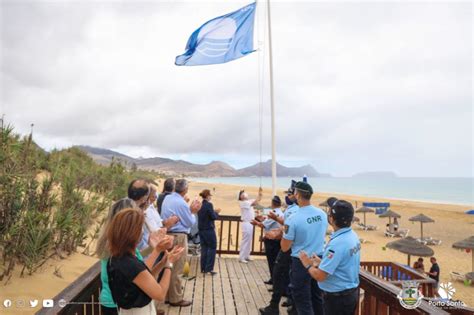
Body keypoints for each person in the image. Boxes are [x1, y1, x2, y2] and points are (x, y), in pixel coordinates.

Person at [107, 208, 185, 314]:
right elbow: (160, 294)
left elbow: (143, 277)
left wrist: (162, 263)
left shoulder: (116, 258)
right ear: (133, 233)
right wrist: (169, 264)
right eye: (141, 228)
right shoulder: (131, 264)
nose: (143, 231)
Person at [300, 198, 361, 315]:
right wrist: (321, 261)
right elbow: (342, 261)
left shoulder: (338, 243)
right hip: (350, 294)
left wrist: (307, 264)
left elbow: (320, 276)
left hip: (338, 299)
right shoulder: (352, 235)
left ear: (332, 219)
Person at [280, 181, 328, 315]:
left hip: (301, 262)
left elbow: (284, 247)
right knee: (317, 298)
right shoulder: (322, 214)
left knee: (302, 301)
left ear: (297, 195)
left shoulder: (293, 219)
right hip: (319, 259)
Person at [259, 181, 299, 315]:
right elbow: (288, 224)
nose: (289, 196)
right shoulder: (294, 210)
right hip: (293, 249)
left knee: (280, 273)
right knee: (288, 275)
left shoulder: (295, 210)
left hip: (289, 248)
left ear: (296, 194)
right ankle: (290, 303)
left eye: (290, 193)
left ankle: (275, 307)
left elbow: (290, 229)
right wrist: (277, 219)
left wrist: (278, 234)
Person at [161, 179, 202, 307]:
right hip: (178, 236)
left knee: (168, 265)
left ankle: (167, 297)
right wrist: (193, 212)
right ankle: (176, 298)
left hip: (167, 235)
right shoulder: (181, 203)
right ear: (185, 190)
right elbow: (190, 222)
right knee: (177, 268)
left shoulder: (167, 199)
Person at [251, 195, 283, 284]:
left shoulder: (274, 213)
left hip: (272, 240)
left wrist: (256, 222)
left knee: (272, 261)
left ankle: (274, 281)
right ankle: (274, 280)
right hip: (278, 239)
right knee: (275, 261)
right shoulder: (281, 213)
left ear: (273, 204)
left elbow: (263, 225)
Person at [198, 189, 221, 275]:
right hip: (208, 229)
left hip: (201, 230)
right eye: (210, 195)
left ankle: (203, 268)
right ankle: (209, 269)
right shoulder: (209, 205)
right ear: (207, 196)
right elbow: (213, 217)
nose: (211, 196)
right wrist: (217, 212)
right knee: (212, 248)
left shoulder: (200, 204)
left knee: (204, 248)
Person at [238, 187, 263, 263]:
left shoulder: (248, 201)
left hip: (251, 223)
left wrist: (260, 194)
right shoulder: (243, 203)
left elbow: (257, 201)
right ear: (240, 197)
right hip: (246, 223)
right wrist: (259, 195)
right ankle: (241, 257)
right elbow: (254, 203)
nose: (244, 194)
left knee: (249, 240)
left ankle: (247, 255)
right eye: (242, 194)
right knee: (245, 240)